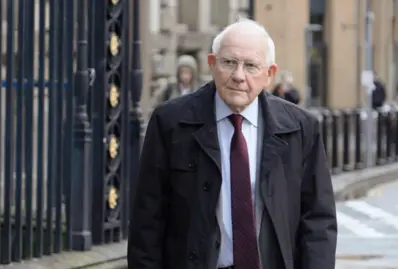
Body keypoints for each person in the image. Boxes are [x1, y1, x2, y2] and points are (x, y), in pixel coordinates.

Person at [127, 18, 337, 269]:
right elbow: (147, 221)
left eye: (251, 66)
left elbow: (317, 222)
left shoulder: (300, 129)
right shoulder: (170, 123)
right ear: (212, 64)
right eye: (229, 62)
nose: (238, 76)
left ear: (269, 74)